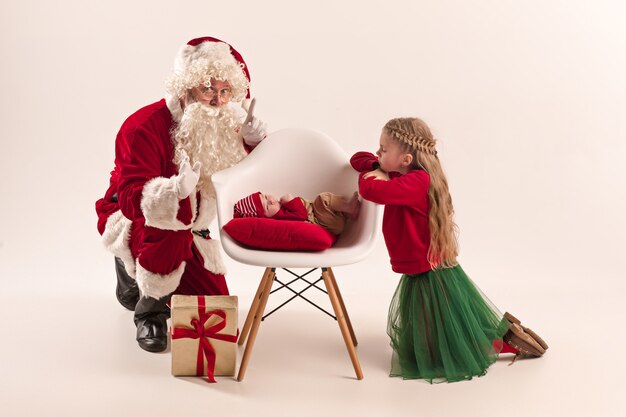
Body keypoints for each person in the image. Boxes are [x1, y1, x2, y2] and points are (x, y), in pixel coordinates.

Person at [95, 37, 269, 353]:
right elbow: (132, 199)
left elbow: (246, 182)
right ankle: (150, 309)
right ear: (186, 89)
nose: (217, 102)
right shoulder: (142, 127)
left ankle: (142, 273)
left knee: (214, 310)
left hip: (193, 230)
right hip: (138, 221)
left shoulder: (226, 126)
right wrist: (175, 191)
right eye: (207, 90)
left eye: (224, 92)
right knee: (170, 234)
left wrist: (254, 144)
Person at [351, 117, 548, 383]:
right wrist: (379, 165)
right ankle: (502, 335)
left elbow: (372, 190)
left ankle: (502, 341)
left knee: (441, 324)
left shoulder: (415, 182)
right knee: (442, 319)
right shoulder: (404, 175)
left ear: (406, 158)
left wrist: (377, 174)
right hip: (422, 263)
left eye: (383, 149)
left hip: (426, 266)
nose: (377, 152)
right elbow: (358, 158)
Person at [233, 191, 360, 235]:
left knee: (328, 202)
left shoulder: (280, 209)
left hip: (330, 219)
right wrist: (290, 201)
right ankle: (348, 208)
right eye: (267, 207)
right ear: (266, 218)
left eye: (266, 197)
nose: (271, 201)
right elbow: (301, 215)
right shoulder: (281, 218)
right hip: (323, 222)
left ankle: (346, 211)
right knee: (322, 198)